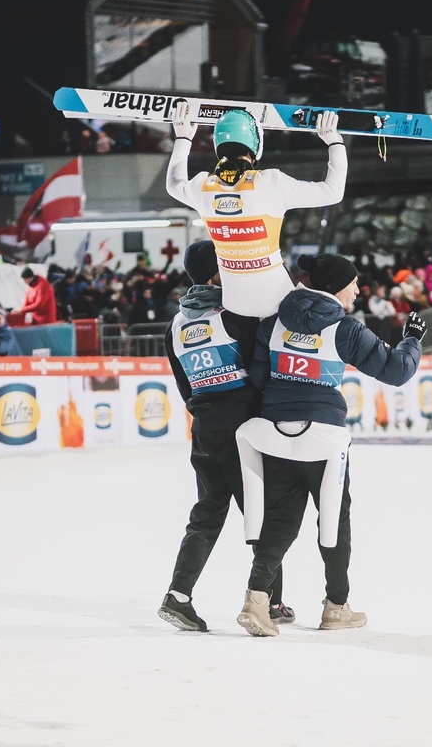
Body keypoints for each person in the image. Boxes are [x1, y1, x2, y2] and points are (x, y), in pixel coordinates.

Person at [234, 253, 426, 637]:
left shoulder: (273, 323)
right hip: (324, 440)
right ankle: (336, 606)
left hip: (275, 435)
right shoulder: (344, 328)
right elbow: (396, 370)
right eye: (353, 283)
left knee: (281, 520)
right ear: (337, 286)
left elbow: (256, 376)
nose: (357, 290)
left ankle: (256, 600)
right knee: (334, 520)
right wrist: (412, 340)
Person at [158, 240, 292, 633]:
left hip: (205, 428)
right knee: (262, 514)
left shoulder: (176, 326)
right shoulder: (235, 316)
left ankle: (178, 595)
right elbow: (262, 370)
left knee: (206, 514)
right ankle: (269, 601)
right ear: (216, 274)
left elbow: (185, 386)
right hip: (242, 428)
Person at [166, 102, 347, 318]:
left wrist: (183, 139)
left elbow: (173, 184)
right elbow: (333, 192)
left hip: (233, 304)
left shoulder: (202, 186)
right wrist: (335, 142)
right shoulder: (269, 182)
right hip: (278, 303)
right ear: (257, 145)